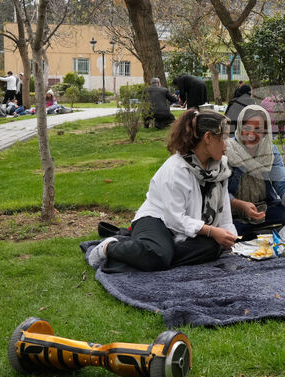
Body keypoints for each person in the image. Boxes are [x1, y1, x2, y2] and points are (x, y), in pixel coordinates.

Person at [88, 109, 238, 273]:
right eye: (223, 137)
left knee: (213, 246)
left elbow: (224, 215)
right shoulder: (177, 169)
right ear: (208, 138)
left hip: (187, 226)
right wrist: (211, 230)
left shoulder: (221, 168)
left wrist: (233, 240)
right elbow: (174, 218)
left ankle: (150, 252)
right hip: (157, 219)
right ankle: (109, 247)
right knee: (158, 255)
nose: (227, 144)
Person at [227, 105, 285, 235]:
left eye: (258, 129)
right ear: (240, 127)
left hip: (262, 207)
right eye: (247, 128)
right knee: (227, 225)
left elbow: (282, 183)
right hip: (233, 210)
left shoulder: (270, 151)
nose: (251, 134)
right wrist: (241, 205)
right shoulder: (228, 150)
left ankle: (252, 231)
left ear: (265, 131)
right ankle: (253, 230)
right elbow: (220, 192)